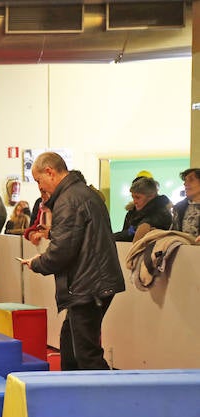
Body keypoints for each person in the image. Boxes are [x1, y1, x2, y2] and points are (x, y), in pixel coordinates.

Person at [21, 152, 125, 371]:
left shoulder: (68, 200)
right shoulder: (82, 193)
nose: (41, 187)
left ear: (49, 172)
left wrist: (38, 263)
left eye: (39, 180)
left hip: (87, 286)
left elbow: (62, 252)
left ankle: (107, 399)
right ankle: (75, 395)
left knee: (86, 355)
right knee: (70, 348)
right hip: (90, 283)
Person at [113, 176, 172, 242]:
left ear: (151, 196)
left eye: (138, 197)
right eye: (133, 197)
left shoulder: (160, 213)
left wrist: (111, 237)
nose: (135, 201)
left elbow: (134, 231)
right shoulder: (133, 212)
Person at [172, 167, 200, 242]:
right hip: (183, 250)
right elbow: (173, 234)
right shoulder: (178, 208)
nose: (185, 184)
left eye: (191, 180)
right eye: (185, 181)